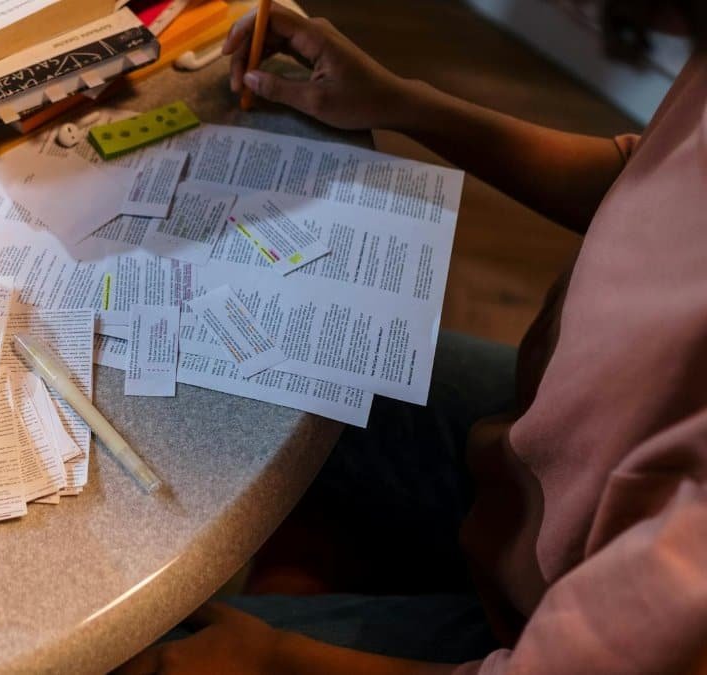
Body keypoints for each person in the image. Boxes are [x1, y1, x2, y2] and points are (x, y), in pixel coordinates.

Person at [119, 1, 707, 673]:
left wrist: (272, 658)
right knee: (220, 353)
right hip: (531, 456)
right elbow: (644, 179)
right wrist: (402, 102)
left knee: (131, 656)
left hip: (541, 619)